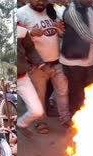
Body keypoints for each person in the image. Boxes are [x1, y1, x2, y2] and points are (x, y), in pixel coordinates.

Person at [17, 0, 72, 133]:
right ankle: (40, 122)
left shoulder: (53, 11)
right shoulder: (21, 14)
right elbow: (20, 40)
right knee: (39, 96)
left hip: (56, 61)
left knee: (63, 91)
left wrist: (60, 31)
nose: (41, 2)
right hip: (37, 66)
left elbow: (60, 33)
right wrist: (30, 32)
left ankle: (65, 118)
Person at [17, 23, 45, 137]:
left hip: (23, 78)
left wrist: (42, 65)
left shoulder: (22, 29)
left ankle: (21, 124)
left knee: (37, 111)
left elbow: (30, 50)